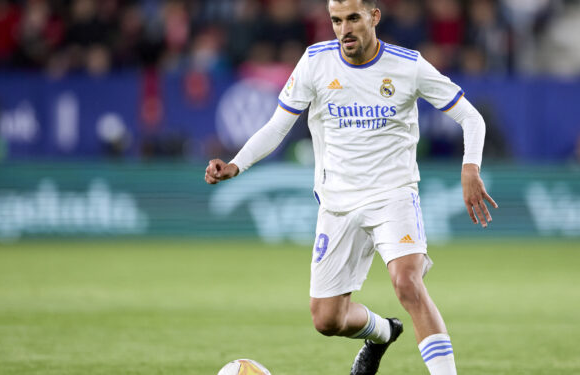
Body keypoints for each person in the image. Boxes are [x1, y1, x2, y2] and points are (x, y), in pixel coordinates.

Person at [204, 1, 497, 374]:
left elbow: (471, 117)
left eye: (353, 19)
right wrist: (235, 164)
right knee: (327, 320)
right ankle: (384, 333)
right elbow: (278, 126)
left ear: (374, 17)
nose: (344, 29)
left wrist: (470, 167)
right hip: (338, 204)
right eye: (336, 20)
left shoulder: (408, 65)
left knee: (407, 282)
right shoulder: (315, 62)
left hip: (393, 194)